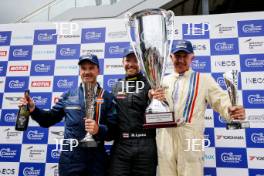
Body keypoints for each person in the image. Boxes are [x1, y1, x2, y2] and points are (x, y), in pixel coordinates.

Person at [151, 40, 245, 176]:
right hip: (165, 137)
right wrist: (151, 95)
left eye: (185, 56)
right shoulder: (162, 80)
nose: (181, 60)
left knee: (192, 172)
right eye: (177, 56)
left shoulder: (204, 79)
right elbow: (154, 107)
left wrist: (232, 110)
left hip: (192, 137)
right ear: (171, 57)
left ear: (192, 57)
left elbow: (221, 100)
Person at [19, 54, 117, 176]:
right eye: (83, 68)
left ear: (98, 70)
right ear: (79, 71)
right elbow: (47, 120)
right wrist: (33, 109)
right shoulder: (68, 96)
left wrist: (98, 129)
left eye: (91, 68)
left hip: (97, 161)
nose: (87, 72)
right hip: (70, 160)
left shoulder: (107, 97)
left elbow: (113, 132)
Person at [109, 47, 157, 176]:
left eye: (135, 60)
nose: (131, 64)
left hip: (146, 145)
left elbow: (164, 114)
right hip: (121, 145)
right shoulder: (116, 87)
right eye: (128, 60)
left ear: (141, 62)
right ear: (122, 62)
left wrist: (154, 99)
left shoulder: (152, 84)